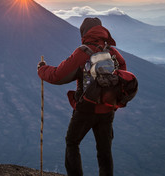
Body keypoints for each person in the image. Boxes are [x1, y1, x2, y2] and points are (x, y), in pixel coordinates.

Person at [37, 17, 126, 176]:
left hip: (86, 107)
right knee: (104, 150)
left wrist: (42, 70)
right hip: (107, 108)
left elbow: (58, 75)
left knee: (72, 142)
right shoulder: (112, 52)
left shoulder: (82, 52)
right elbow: (123, 72)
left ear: (84, 32)